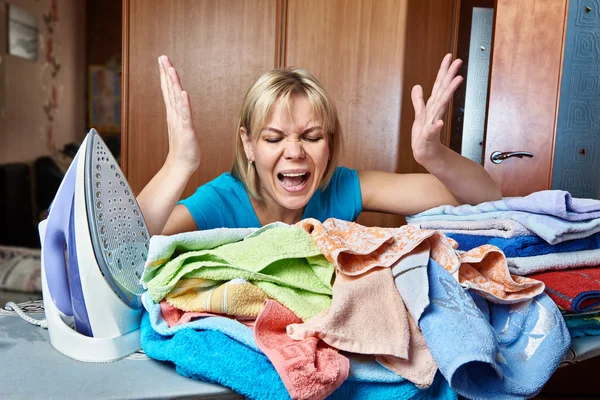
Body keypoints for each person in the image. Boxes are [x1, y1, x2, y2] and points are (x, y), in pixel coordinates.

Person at [137, 54, 502, 236]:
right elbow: (127, 246)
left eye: (311, 137)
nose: (295, 151)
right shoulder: (222, 199)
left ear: (329, 143)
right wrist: (179, 163)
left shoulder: (342, 187)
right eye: (274, 138)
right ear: (248, 145)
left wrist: (432, 155)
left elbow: (484, 197)